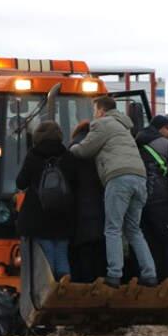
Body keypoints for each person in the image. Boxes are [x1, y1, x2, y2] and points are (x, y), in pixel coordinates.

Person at [70, 96, 157, 288]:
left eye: (94, 110)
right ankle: (149, 273)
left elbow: (85, 150)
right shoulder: (125, 127)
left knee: (112, 228)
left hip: (119, 179)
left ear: (100, 110)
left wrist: (70, 149)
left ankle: (114, 274)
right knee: (134, 230)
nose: (94, 115)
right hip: (139, 178)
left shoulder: (102, 124)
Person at [16, 121, 76, 281]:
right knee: (62, 252)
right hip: (63, 215)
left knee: (47, 252)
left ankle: (49, 291)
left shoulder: (33, 156)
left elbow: (21, 182)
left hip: (38, 215)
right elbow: (75, 183)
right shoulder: (68, 156)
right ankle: (64, 285)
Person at [135, 115, 168, 286]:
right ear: (161, 129)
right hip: (158, 197)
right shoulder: (166, 146)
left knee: (146, 238)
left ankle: (150, 276)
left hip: (139, 197)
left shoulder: (135, 142)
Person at [69, 121, 107, 283]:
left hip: (79, 209)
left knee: (83, 250)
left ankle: (84, 284)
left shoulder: (72, 149)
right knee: (99, 249)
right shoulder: (102, 148)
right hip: (102, 206)